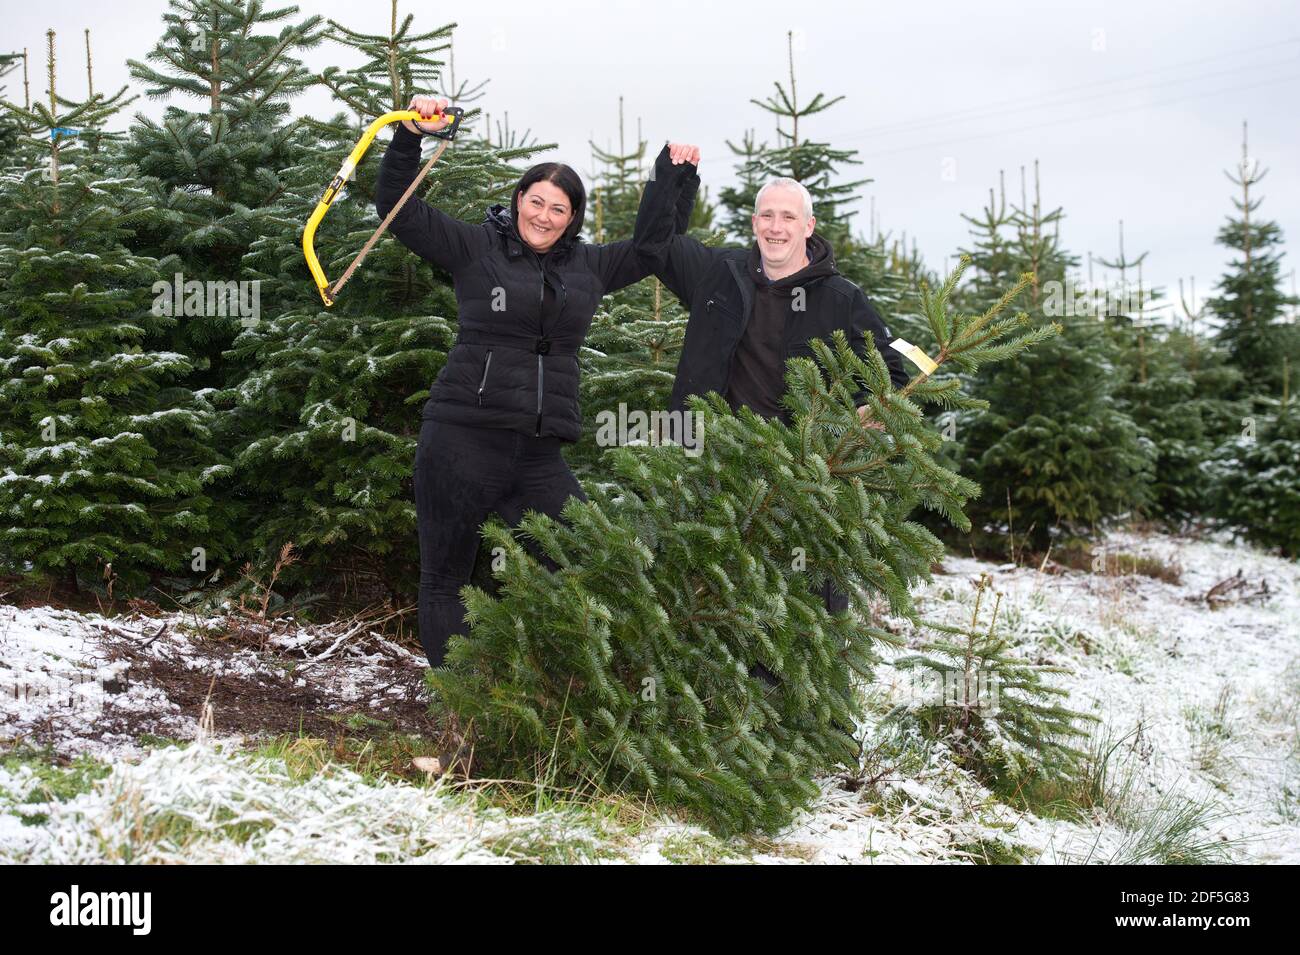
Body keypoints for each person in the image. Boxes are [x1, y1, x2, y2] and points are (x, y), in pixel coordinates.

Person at [378, 95, 696, 669]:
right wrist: (408, 137)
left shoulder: (589, 267)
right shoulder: (476, 248)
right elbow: (399, 211)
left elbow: (654, 249)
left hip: (538, 454)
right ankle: (460, 703)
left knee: (582, 555)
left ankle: (536, 685)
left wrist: (672, 181)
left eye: (559, 209)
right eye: (536, 201)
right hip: (462, 438)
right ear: (518, 200)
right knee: (445, 577)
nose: (544, 216)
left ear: (573, 218)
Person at [635, 145, 911, 632]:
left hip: (800, 473)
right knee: (710, 592)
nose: (776, 227)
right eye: (767, 215)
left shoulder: (840, 298)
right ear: (754, 222)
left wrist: (874, 408)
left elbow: (899, 364)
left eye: (788, 216)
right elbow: (653, 245)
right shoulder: (718, 274)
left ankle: (813, 697)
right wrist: (674, 176)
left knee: (806, 605)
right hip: (712, 462)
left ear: (808, 226)